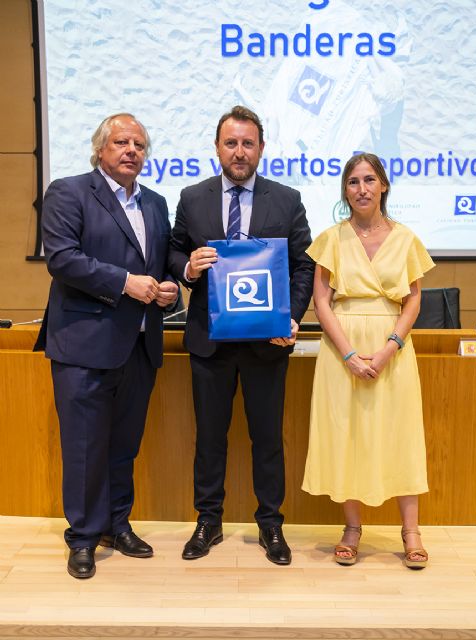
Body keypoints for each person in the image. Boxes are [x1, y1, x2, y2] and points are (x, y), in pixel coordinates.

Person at [168, 105, 314, 565]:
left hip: (265, 344)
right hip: (209, 342)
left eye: (247, 143)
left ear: (261, 149)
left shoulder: (286, 199)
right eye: (231, 143)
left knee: (267, 438)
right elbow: (173, 252)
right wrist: (187, 268)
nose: (239, 151)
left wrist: (288, 316)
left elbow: (303, 265)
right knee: (209, 437)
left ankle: (271, 524)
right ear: (217, 148)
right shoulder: (192, 198)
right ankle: (207, 521)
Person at [34, 113, 178, 579]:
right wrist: (125, 284)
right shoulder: (69, 191)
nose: (131, 150)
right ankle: (82, 537)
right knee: (84, 448)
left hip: (139, 345)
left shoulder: (155, 203)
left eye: (139, 143)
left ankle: (117, 524)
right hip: (84, 344)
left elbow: (160, 264)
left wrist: (171, 285)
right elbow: (62, 258)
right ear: (101, 149)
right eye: (121, 141)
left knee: (123, 446)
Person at [302, 152, 434, 569]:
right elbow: (321, 301)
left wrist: (389, 346)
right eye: (353, 182)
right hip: (342, 349)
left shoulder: (407, 238)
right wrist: (349, 354)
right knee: (348, 436)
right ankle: (352, 529)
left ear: (384, 186)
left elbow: (413, 300)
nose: (361, 189)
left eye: (369, 180)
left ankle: (411, 532)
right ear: (345, 190)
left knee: (399, 434)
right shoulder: (330, 238)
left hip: (391, 348)